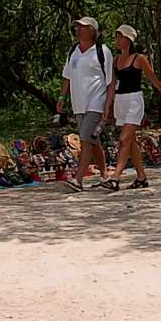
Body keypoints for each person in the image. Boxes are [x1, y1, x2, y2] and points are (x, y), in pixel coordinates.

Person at [100, 25, 161, 191]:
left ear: (128, 39)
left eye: (120, 37)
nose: (117, 40)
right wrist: (107, 106)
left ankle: (116, 177)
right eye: (116, 37)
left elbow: (153, 78)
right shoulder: (115, 60)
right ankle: (141, 177)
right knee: (131, 141)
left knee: (124, 139)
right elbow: (112, 85)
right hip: (120, 101)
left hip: (134, 100)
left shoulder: (139, 58)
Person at [57, 16, 114, 192]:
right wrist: (61, 97)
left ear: (92, 31)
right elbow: (67, 76)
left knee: (85, 138)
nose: (79, 30)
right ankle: (104, 175)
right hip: (79, 104)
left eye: (83, 27)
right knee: (92, 140)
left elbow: (111, 81)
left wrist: (107, 107)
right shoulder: (73, 51)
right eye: (77, 27)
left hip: (96, 101)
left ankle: (79, 179)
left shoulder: (102, 51)